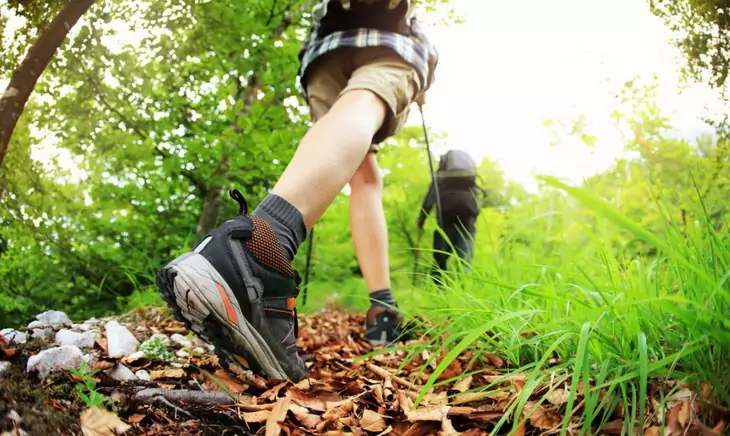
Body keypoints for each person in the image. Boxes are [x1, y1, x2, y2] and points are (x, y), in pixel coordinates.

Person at [155, 0, 438, 383]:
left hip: (323, 56)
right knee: (364, 102)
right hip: (390, 39)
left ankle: (381, 311)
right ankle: (258, 248)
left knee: (364, 173)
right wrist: (426, 72)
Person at [416, 149, 480, 284]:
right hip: (467, 223)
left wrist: (422, 219)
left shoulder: (441, 178)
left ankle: (438, 291)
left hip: (445, 221)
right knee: (464, 260)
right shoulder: (470, 182)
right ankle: (464, 292)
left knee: (440, 260)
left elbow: (431, 197)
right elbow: (477, 201)